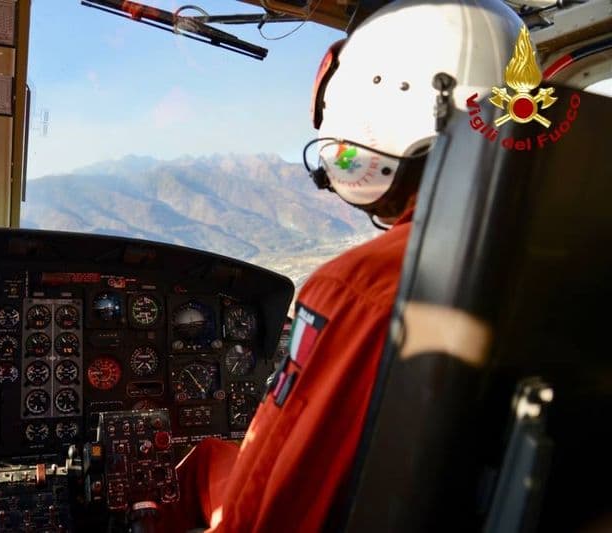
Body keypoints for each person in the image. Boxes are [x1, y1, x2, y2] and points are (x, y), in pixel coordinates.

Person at [158, 0, 524, 530]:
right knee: (212, 457)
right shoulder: (560, 255)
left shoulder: (360, 287)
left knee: (196, 473)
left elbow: (264, 515)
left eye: (344, 147)